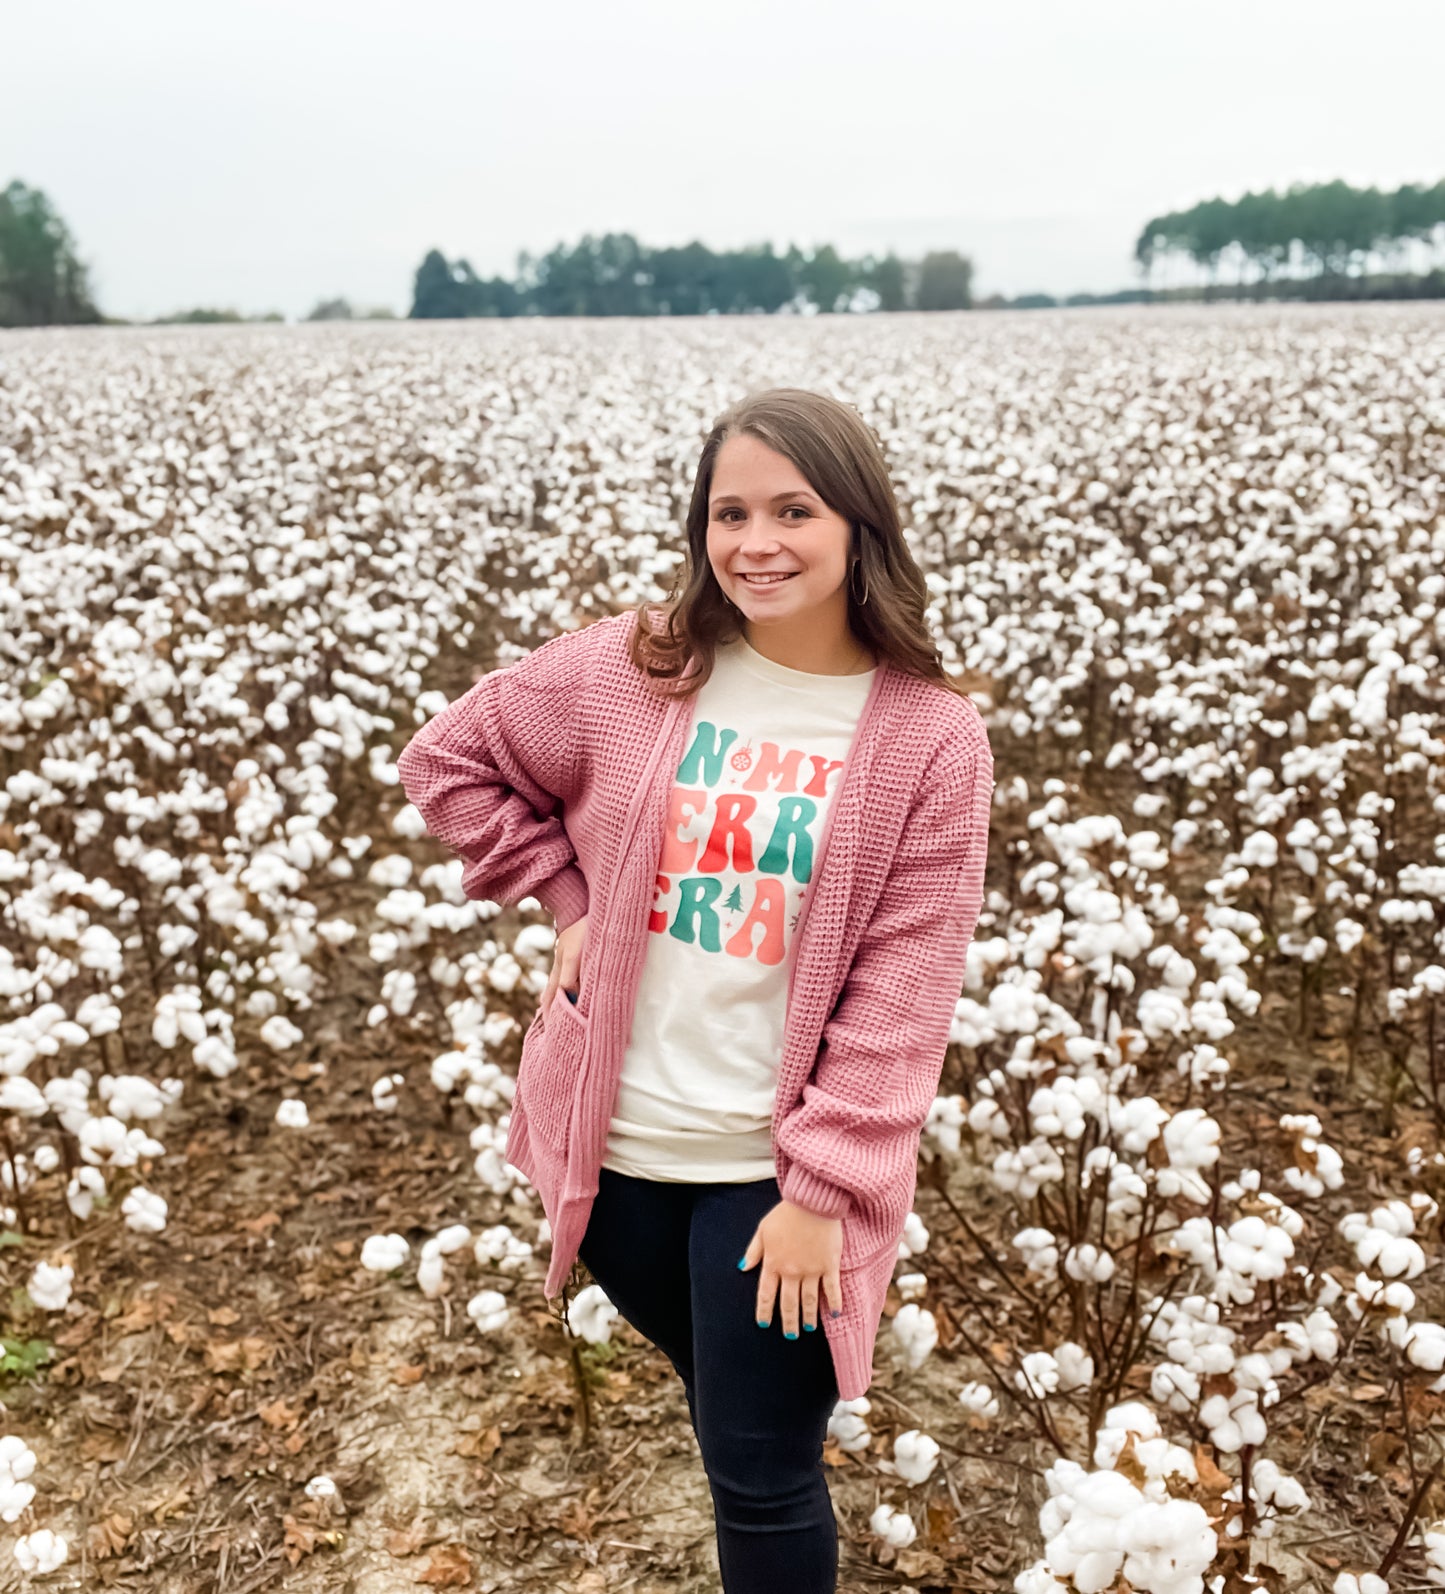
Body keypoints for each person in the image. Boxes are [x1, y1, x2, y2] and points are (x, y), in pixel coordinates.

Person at [397, 386, 994, 1593]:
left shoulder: (929, 736)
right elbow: (448, 760)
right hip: (612, 1158)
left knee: (759, 1465)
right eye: (728, 513)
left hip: (767, 1177)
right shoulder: (640, 668)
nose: (755, 542)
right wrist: (567, 900)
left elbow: (904, 984)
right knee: (737, 1420)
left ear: (857, 524)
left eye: (792, 509)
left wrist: (823, 1189)